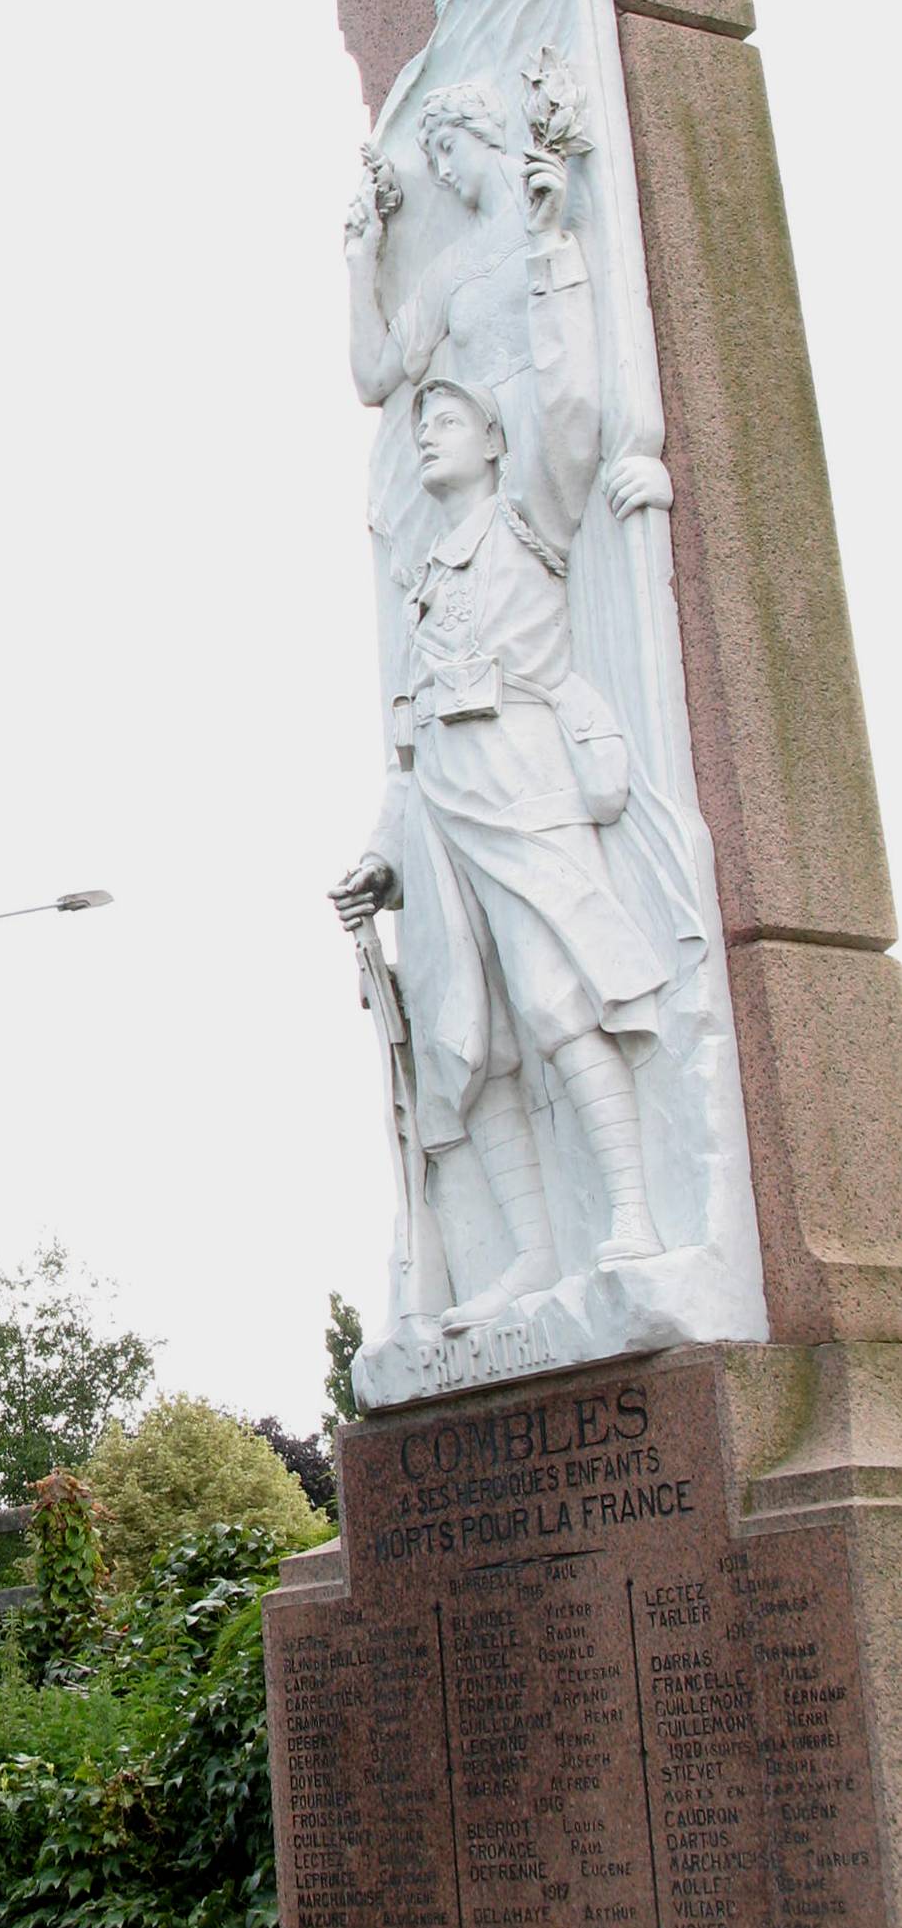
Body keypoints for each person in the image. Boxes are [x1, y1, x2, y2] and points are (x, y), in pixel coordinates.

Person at [331, 125, 669, 1330]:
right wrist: (380, 848)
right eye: (424, 422)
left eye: (448, 420)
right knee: (471, 1036)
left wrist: (554, 247)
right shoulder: (423, 574)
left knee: (553, 992)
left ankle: (628, 1214)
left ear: (491, 440)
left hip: (521, 776)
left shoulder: (529, 517)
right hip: (443, 811)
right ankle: (532, 1251)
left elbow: (572, 401)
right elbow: (410, 741)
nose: (426, 428)